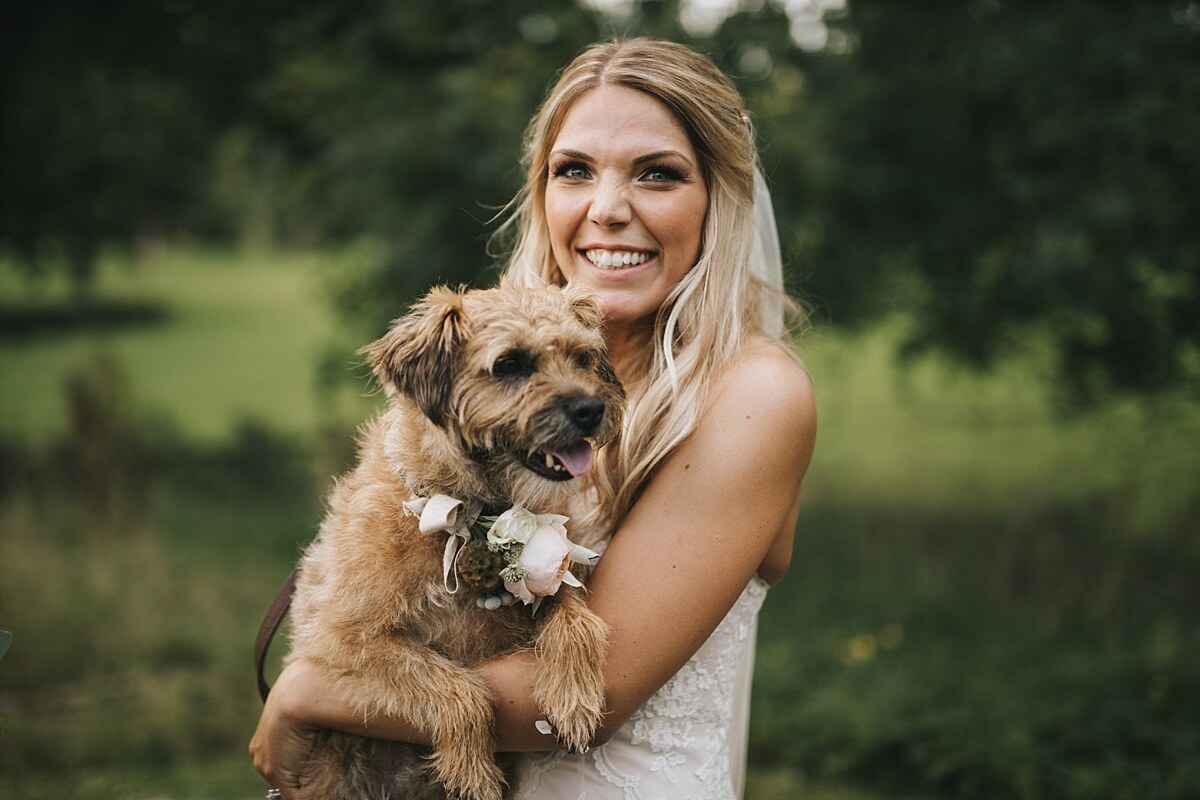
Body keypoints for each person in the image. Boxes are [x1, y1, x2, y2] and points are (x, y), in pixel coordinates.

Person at [250, 37, 816, 800]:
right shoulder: (502, 352)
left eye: (658, 174)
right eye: (574, 170)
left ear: (719, 196)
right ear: (541, 190)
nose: (608, 210)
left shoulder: (753, 396)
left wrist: (303, 694)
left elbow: (594, 698)